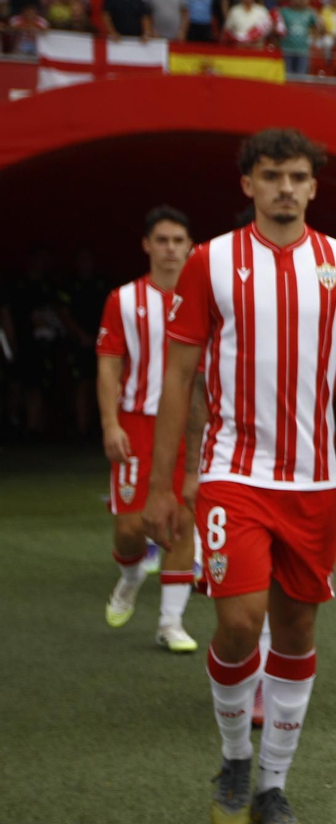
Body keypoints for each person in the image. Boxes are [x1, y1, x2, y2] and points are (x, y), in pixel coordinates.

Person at [142, 127, 336, 824]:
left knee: (294, 633)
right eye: (271, 176)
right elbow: (177, 375)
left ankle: (270, 787)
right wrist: (164, 485)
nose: (285, 187)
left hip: (313, 483)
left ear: (314, 186)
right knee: (240, 622)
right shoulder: (211, 262)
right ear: (248, 185)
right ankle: (235, 754)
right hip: (234, 473)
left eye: (297, 176)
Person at [97, 205, 198, 650]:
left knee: (183, 519)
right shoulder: (123, 300)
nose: (171, 249)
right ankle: (132, 573)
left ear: (191, 246)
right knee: (131, 527)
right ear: (147, 245)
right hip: (138, 424)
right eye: (163, 240)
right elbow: (108, 365)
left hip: (192, 428)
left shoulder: (206, 299)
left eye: (179, 241)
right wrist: (110, 424)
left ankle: (170, 623)